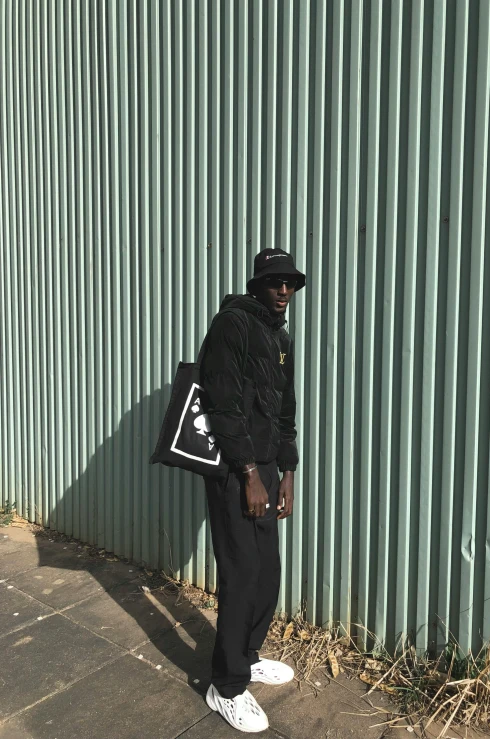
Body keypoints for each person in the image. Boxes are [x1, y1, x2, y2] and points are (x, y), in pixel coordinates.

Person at [199, 248, 305, 733]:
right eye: (274, 282)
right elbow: (221, 404)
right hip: (235, 469)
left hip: (265, 469)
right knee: (241, 573)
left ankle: (247, 653)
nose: (283, 290)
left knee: (267, 568)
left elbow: (285, 410)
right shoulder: (233, 325)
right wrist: (247, 473)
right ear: (257, 284)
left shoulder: (278, 336)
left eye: (290, 283)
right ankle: (227, 686)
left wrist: (285, 472)